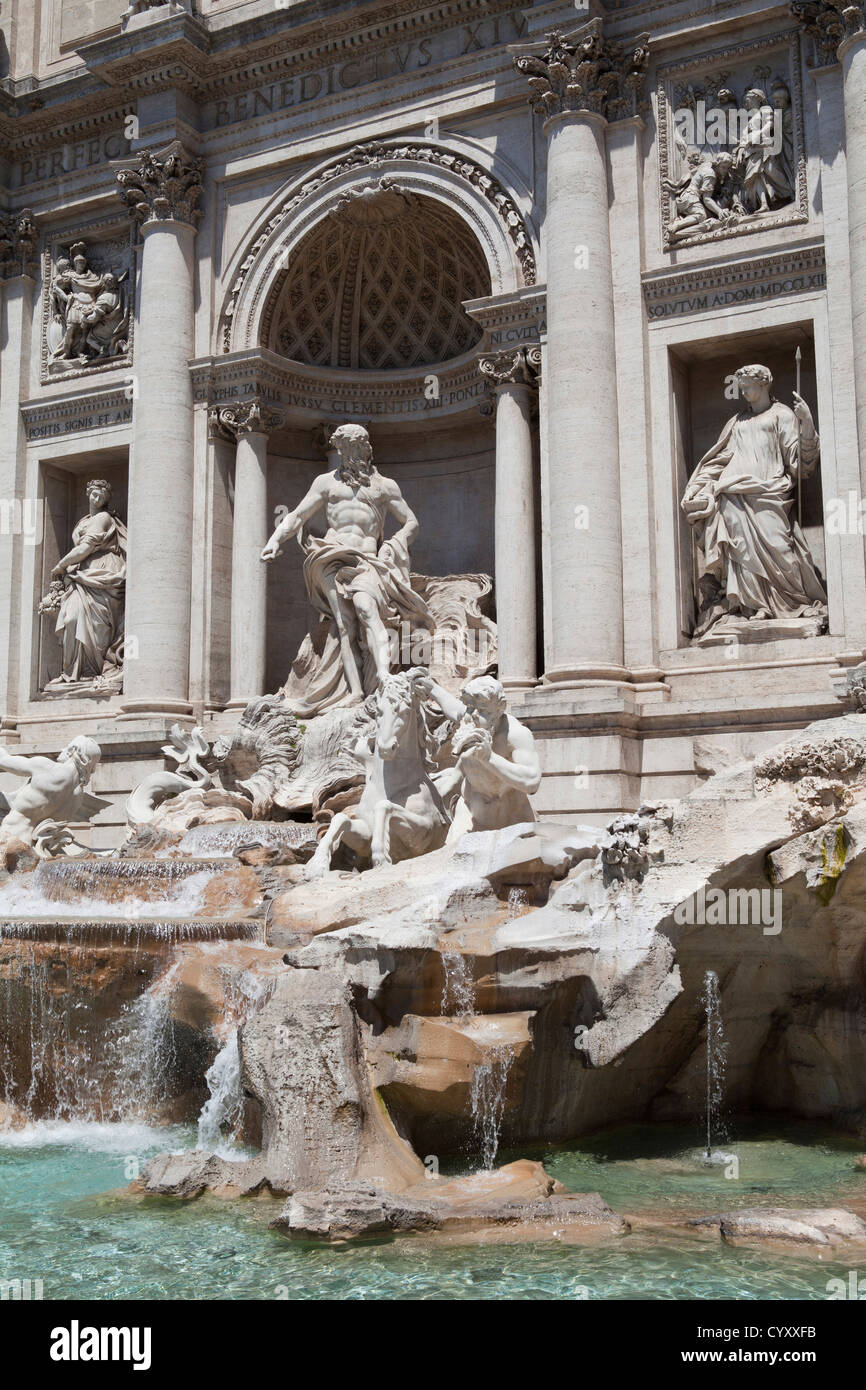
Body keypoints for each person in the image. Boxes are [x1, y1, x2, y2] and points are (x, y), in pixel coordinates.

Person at [261, 423, 433, 714]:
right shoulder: (325, 483)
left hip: (367, 559)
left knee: (367, 611)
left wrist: (396, 542)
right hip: (331, 556)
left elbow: (411, 522)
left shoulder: (384, 486)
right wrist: (275, 539)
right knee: (344, 624)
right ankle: (354, 692)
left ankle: (383, 679)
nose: (348, 454)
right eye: (343, 449)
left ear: (366, 449)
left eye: (354, 448)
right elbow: (298, 515)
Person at [682, 363, 827, 638]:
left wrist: (806, 422)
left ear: (763, 384)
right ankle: (752, 606)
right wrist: (700, 486)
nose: (743, 390)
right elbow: (717, 460)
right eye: (740, 385)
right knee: (740, 550)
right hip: (733, 494)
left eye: (747, 384)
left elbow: (800, 462)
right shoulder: (736, 422)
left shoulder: (782, 415)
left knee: (779, 547)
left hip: (770, 492)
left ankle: (793, 600)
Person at [415, 673, 541, 840]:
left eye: (482, 709)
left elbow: (531, 782)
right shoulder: (469, 718)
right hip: (471, 814)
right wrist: (430, 687)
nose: (473, 714)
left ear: (500, 708)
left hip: (512, 818)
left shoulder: (515, 735)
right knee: (452, 858)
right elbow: (452, 707)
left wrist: (489, 758)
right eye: (469, 706)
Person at [43, 479, 127, 687]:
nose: (96, 498)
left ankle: (92, 670)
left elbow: (85, 549)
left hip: (102, 571)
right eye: (94, 494)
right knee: (71, 618)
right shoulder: (82, 521)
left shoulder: (103, 518)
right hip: (82, 575)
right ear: (88, 494)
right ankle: (72, 671)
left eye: (101, 496)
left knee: (96, 625)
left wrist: (61, 565)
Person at [0, 737, 101, 845]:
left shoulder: (47, 768)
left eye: (66, 747)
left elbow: (3, 759)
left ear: (72, 750)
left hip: (8, 838)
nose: (62, 750)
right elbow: (27, 806)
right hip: (31, 846)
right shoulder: (77, 797)